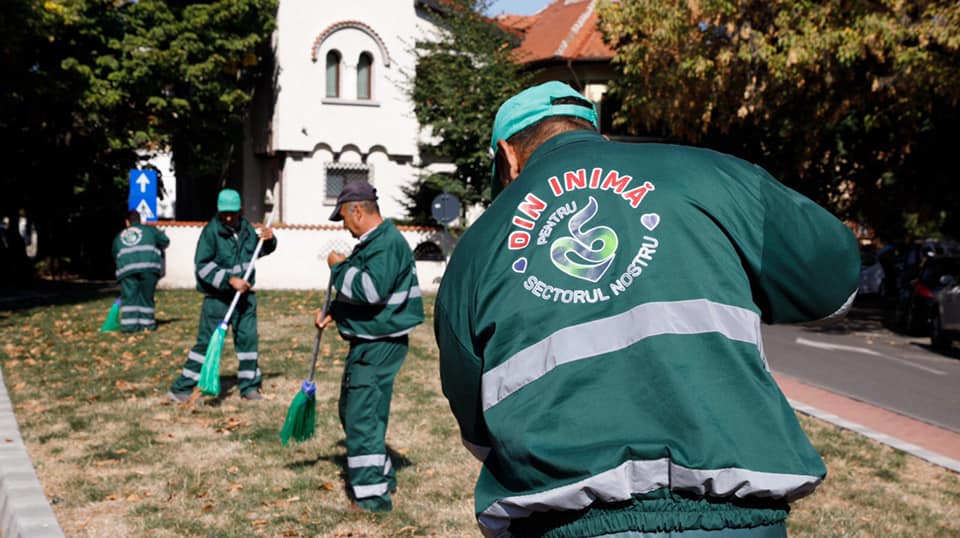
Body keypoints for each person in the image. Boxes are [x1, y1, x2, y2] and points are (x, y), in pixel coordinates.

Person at [434, 81, 860, 537]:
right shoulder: (711, 176)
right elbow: (833, 284)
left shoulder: (476, 249)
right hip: (737, 518)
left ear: (508, 156)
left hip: (573, 523)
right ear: (598, 133)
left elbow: (479, 426)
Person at [315, 180, 424, 512]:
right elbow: (368, 295)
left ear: (357, 211)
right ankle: (379, 474)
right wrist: (335, 311)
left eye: (344, 219)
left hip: (378, 344)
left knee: (362, 416)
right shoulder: (375, 243)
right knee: (356, 410)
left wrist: (338, 266)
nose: (345, 228)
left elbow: (370, 291)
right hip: (370, 341)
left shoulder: (386, 244)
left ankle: (372, 498)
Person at [168, 188, 276, 402]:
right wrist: (229, 279)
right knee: (205, 344)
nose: (228, 217)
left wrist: (270, 239)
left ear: (240, 211)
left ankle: (249, 387)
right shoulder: (211, 232)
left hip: (244, 300)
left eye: (233, 213)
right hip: (217, 300)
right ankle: (182, 388)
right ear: (218, 211)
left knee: (248, 343)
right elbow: (203, 266)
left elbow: (260, 251)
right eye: (224, 213)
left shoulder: (247, 230)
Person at [112, 210, 170, 332]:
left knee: (129, 298)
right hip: (148, 267)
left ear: (127, 222)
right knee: (146, 296)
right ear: (140, 220)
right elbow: (165, 241)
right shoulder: (150, 230)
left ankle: (129, 326)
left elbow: (115, 254)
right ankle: (147, 325)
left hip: (127, 270)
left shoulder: (119, 236)